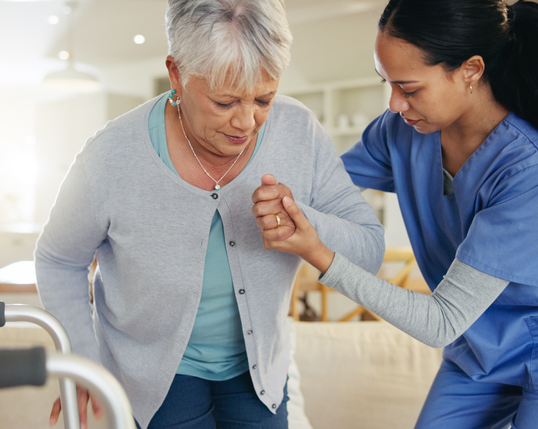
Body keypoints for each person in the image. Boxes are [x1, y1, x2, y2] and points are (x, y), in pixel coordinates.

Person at [258, 0, 538, 428]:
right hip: (481, 345)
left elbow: (441, 322)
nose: (395, 103)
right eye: (388, 84)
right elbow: (319, 189)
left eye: (410, 88)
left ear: (470, 70)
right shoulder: (401, 130)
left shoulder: (534, 172)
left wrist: (319, 254)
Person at [34, 0, 385, 427]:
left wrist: (309, 228)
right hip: (152, 375)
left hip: (258, 372)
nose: (247, 122)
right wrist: (84, 364)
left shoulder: (299, 131)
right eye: (224, 102)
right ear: (177, 74)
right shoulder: (109, 156)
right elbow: (58, 260)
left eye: (264, 99)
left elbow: (368, 249)